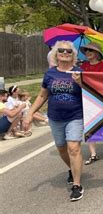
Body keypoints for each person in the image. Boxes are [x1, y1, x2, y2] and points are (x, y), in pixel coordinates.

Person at [24, 40, 85, 201]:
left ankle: (77, 185)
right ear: (55, 55)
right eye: (61, 51)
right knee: (61, 148)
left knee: (73, 148)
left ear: (73, 56)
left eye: (68, 51)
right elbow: (43, 95)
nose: (65, 53)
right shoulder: (50, 74)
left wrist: (80, 82)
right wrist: (30, 113)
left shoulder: (79, 72)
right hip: (55, 117)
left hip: (75, 116)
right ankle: (72, 169)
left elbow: (91, 94)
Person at [79, 42, 103, 164]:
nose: (88, 53)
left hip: (100, 97)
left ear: (96, 53)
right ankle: (93, 154)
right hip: (87, 98)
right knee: (89, 124)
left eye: (91, 50)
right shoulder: (83, 66)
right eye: (87, 51)